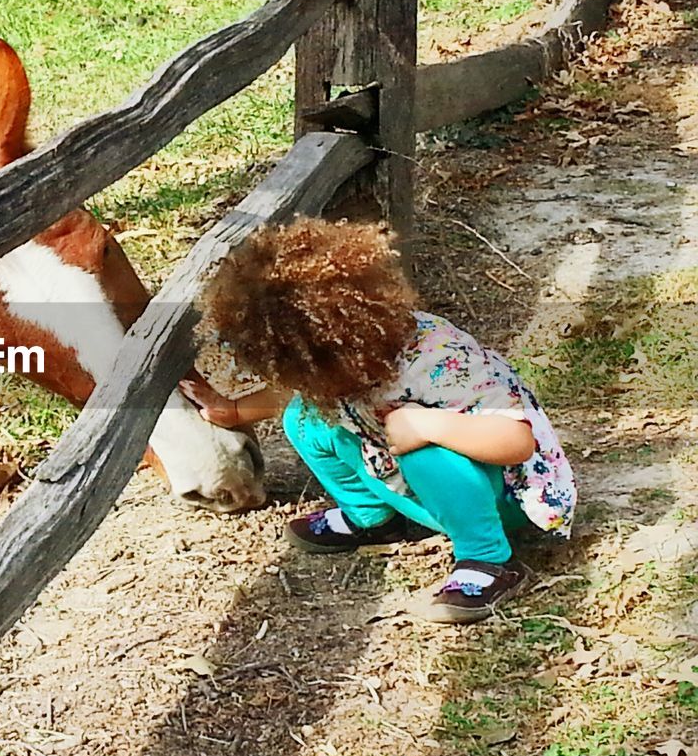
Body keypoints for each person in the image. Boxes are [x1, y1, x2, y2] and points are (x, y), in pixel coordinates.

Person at [182, 218, 576, 623]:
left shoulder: (437, 361)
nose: (295, 381)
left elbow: (515, 441)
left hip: (507, 495)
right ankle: (373, 520)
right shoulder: (348, 355)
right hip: (420, 474)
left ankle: (489, 560)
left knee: (425, 454)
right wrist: (232, 409)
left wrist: (427, 425)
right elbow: (293, 396)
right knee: (306, 418)